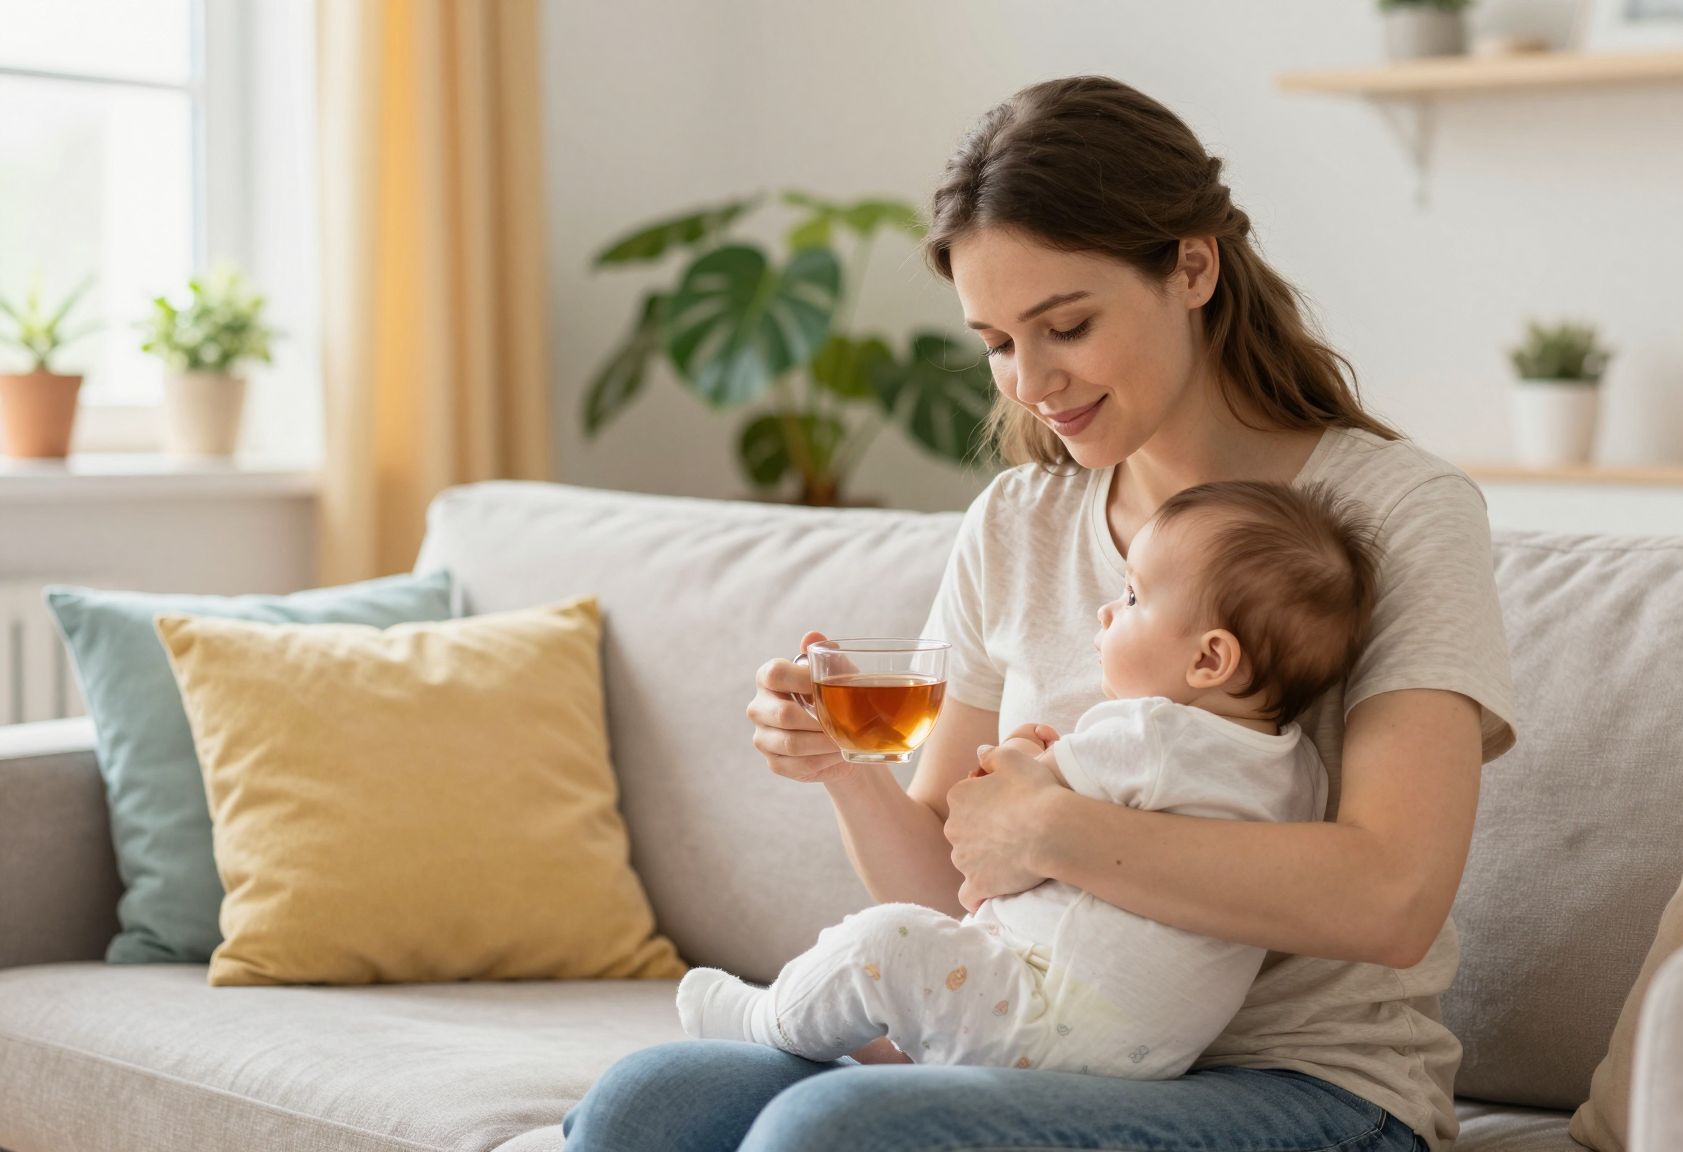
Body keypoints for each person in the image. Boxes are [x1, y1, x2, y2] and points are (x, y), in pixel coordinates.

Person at [563, 73, 1517, 1152]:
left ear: (1191, 267)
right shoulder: (1015, 524)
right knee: (645, 1106)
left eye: (1063, 325)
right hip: (1035, 1048)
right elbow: (951, 887)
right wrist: (847, 769)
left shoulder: (1394, 512)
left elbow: (1391, 899)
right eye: (996, 342)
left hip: (1311, 1089)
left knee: (833, 1130)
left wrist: (1055, 827)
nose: (1028, 382)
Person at [673, 480, 1373, 1081]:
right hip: (1147, 1053)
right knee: (659, 1099)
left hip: (1050, 1011)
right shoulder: (1299, 772)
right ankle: (877, 1047)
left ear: (1211, 659)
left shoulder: (1147, 733)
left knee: (886, 942)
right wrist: (852, 766)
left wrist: (1014, 754)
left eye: (1131, 598)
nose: (1106, 610)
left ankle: (768, 1021)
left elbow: (992, 815)